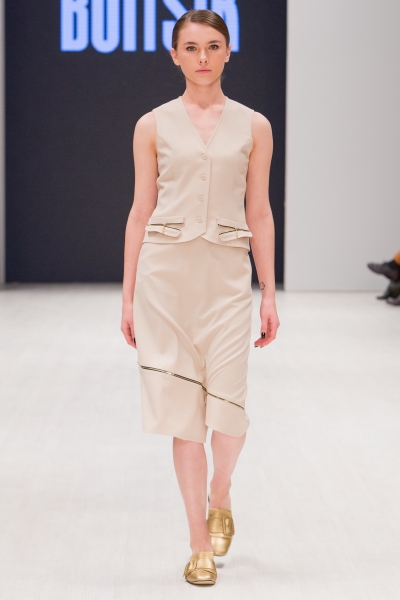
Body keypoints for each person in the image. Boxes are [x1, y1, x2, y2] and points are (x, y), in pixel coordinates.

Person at [121, 9, 279, 586]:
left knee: (229, 414)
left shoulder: (254, 125)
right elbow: (140, 210)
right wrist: (128, 297)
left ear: (229, 51)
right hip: (165, 281)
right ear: (174, 55)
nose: (203, 57)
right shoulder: (152, 125)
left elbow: (259, 211)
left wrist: (268, 292)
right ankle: (197, 544)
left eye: (213, 46)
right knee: (185, 418)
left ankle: (221, 490)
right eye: (191, 47)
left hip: (227, 281)